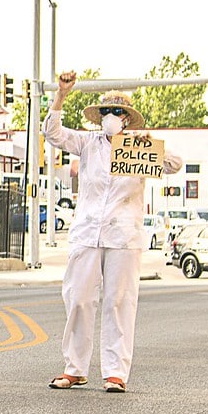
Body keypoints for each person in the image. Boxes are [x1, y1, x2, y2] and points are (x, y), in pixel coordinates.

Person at [43, 71, 182, 393]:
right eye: (106, 113)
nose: (111, 118)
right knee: (78, 299)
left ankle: (115, 372)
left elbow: (175, 164)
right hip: (87, 232)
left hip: (123, 235)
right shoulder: (88, 143)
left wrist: (153, 145)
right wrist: (61, 95)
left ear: (127, 119)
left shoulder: (138, 147)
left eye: (118, 113)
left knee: (119, 302)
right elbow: (52, 133)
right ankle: (74, 368)